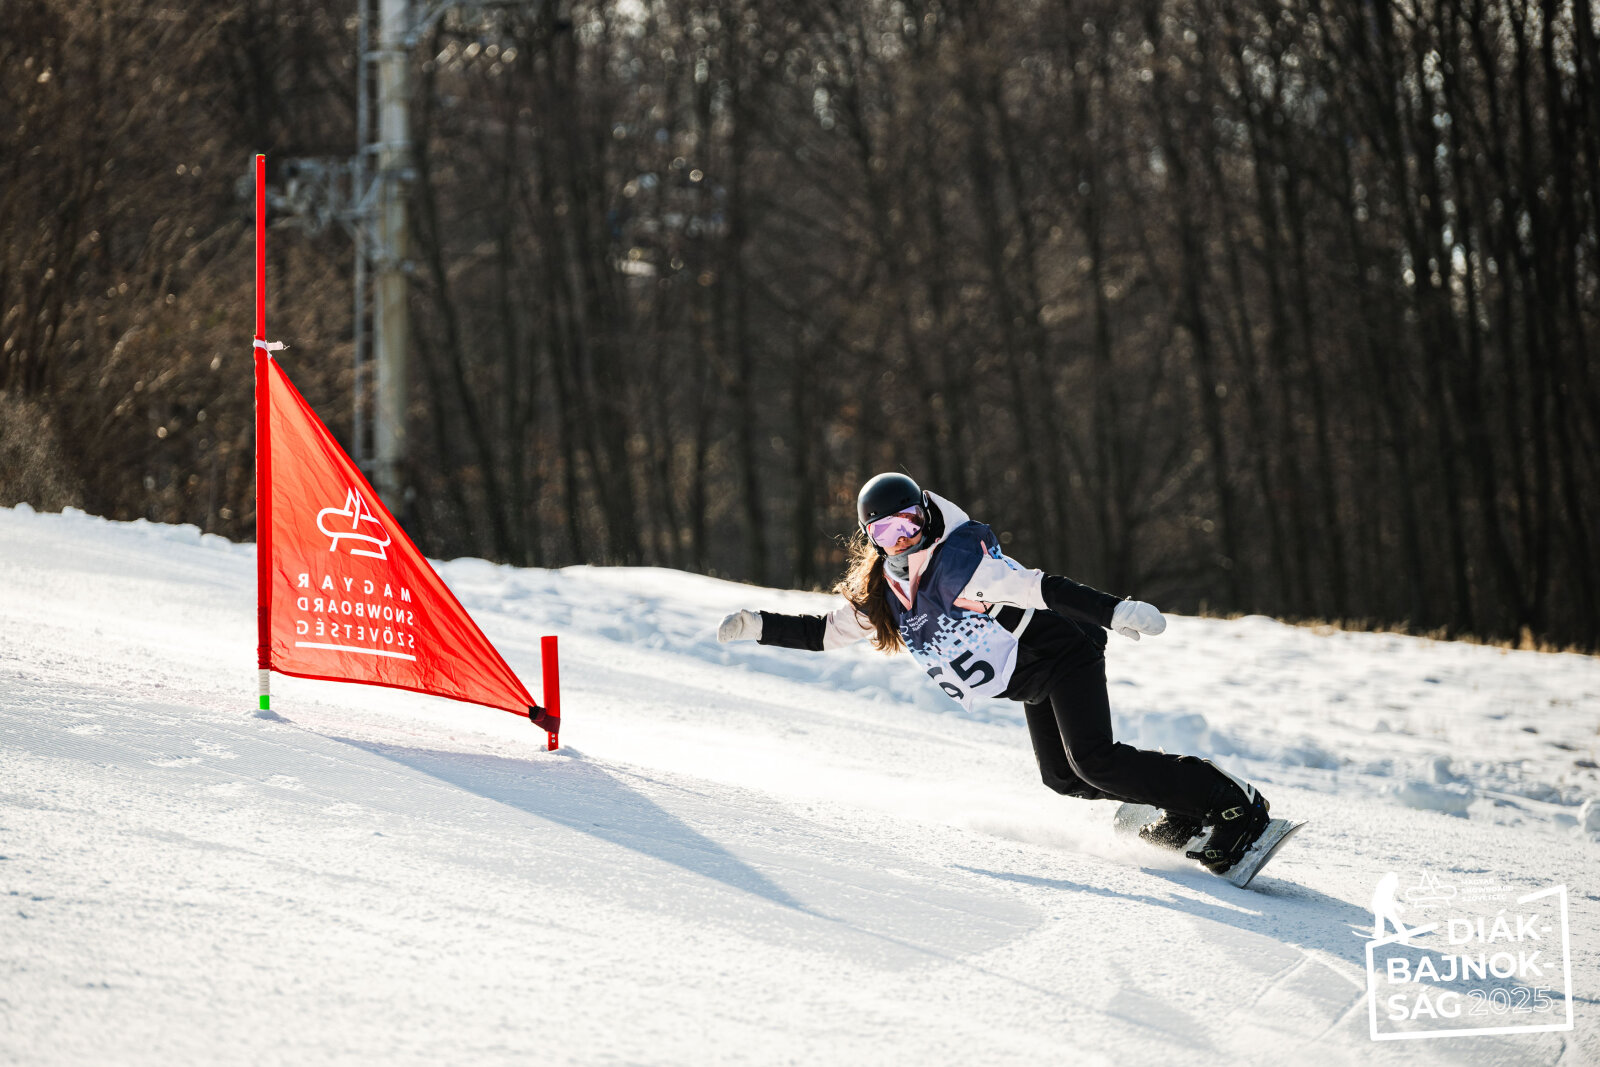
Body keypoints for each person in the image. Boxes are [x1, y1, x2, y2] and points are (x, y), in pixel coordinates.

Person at [717, 471, 1276, 878]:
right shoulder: (887, 592)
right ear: (872, 540)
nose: (903, 539)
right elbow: (825, 633)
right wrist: (757, 626)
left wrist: (1114, 610)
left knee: (1095, 758)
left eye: (909, 524)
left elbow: (1042, 588)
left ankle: (1230, 802)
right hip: (1031, 677)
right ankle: (1179, 808)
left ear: (926, 514)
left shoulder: (965, 565)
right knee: (1063, 778)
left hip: (1062, 653)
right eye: (886, 534)